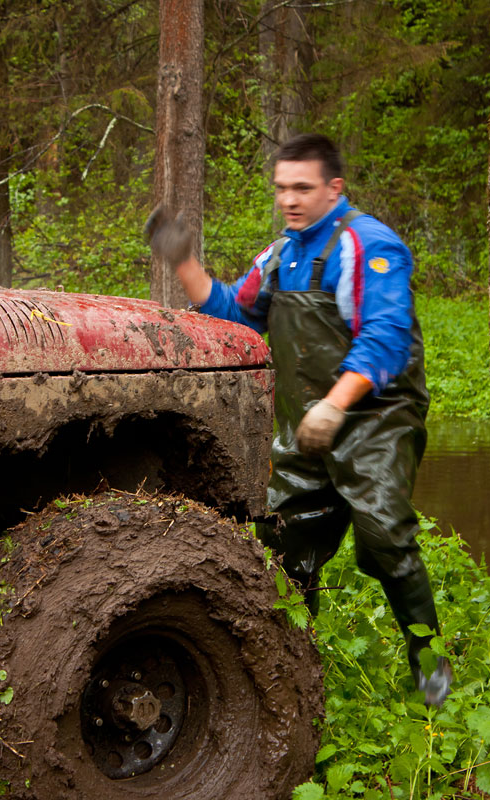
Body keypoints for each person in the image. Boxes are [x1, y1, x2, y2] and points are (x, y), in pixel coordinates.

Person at [146, 133, 451, 706]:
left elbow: (384, 339)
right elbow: (235, 310)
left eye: (302, 188)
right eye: (282, 188)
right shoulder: (282, 253)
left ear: (334, 188)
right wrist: (184, 261)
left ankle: (428, 660)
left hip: (376, 418)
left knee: (383, 535)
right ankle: (294, 674)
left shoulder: (367, 244)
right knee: (285, 549)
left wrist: (337, 404)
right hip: (306, 424)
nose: (289, 199)